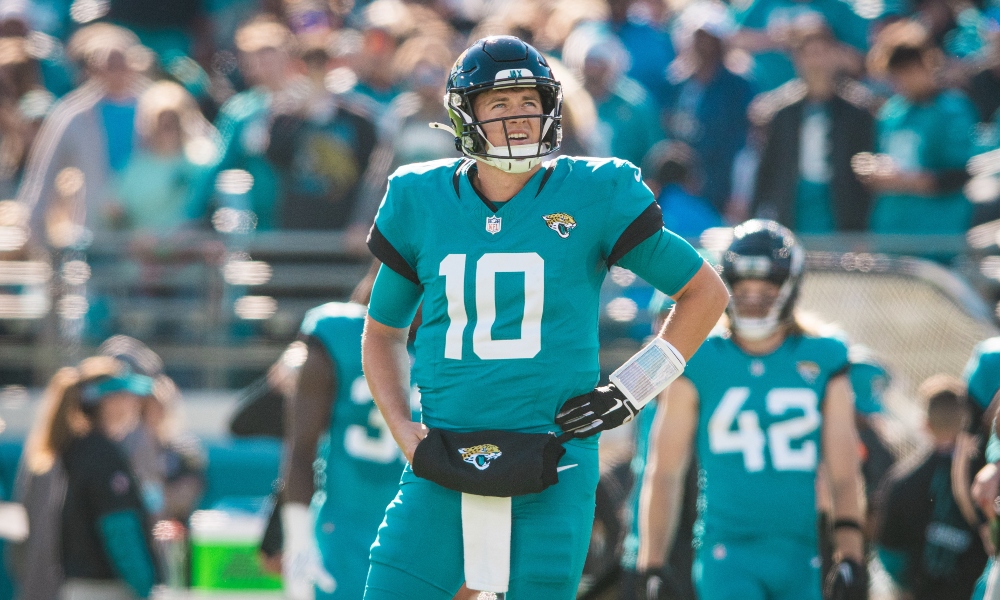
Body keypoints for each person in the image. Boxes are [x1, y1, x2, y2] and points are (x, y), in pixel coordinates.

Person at [361, 35, 729, 599]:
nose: (518, 119)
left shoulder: (594, 191)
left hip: (555, 454)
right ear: (466, 116)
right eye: (499, 105)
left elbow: (704, 293)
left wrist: (632, 388)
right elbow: (383, 332)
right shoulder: (421, 198)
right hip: (444, 454)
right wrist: (403, 431)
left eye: (529, 103)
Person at [637, 219, 866, 600]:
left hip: (801, 551)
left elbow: (844, 470)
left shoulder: (824, 357)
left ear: (789, 288)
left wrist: (851, 554)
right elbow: (665, 471)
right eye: (742, 289)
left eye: (766, 289)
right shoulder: (700, 358)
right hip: (728, 551)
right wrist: (652, 564)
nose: (753, 299)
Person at [281, 260, 416, 600]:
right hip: (345, 525)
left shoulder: (451, 344)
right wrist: (297, 538)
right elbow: (301, 450)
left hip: (420, 527)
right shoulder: (337, 333)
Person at [13, 356, 158, 600]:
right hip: (104, 591)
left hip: (82, 588)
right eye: (125, 395)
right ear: (107, 402)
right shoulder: (100, 455)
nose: (134, 404)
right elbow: (119, 531)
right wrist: (146, 589)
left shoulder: (80, 449)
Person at [750, 25, 876, 233]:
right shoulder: (782, 113)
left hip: (841, 213)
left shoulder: (858, 112)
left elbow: (866, 171)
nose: (816, 62)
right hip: (793, 211)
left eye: (822, 53)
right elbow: (767, 170)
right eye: (808, 55)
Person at [874, 375, 988, 600]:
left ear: (925, 424)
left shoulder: (901, 480)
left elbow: (889, 552)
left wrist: (906, 585)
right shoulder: (988, 478)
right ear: (966, 420)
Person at [862, 20, 978, 235]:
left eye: (909, 70)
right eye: (897, 73)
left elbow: (957, 175)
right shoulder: (893, 113)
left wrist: (904, 181)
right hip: (891, 233)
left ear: (927, 63)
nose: (904, 80)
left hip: (937, 235)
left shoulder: (953, 110)